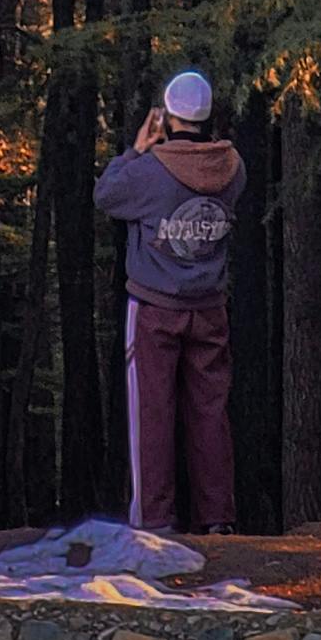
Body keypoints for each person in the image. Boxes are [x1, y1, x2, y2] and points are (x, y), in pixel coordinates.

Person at [93, 68, 246, 535]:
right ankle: (218, 518)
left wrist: (136, 149)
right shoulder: (233, 168)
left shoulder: (149, 171)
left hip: (154, 307)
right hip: (210, 308)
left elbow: (106, 195)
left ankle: (155, 522)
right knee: (210, 411)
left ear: (167, 115)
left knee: (152, 412)